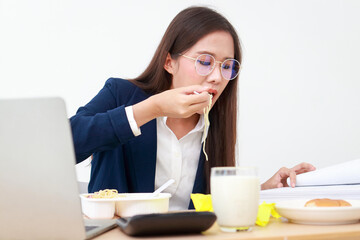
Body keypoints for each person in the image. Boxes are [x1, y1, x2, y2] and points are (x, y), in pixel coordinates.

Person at [70, 6, 315, 210]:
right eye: (205, 61)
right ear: (169, 62)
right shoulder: (121, 94)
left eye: (227, 66)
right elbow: (66, 144)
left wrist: (265, 190)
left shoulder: (213, 124)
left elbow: (209, 207)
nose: (217, 77)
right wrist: (153, 108)